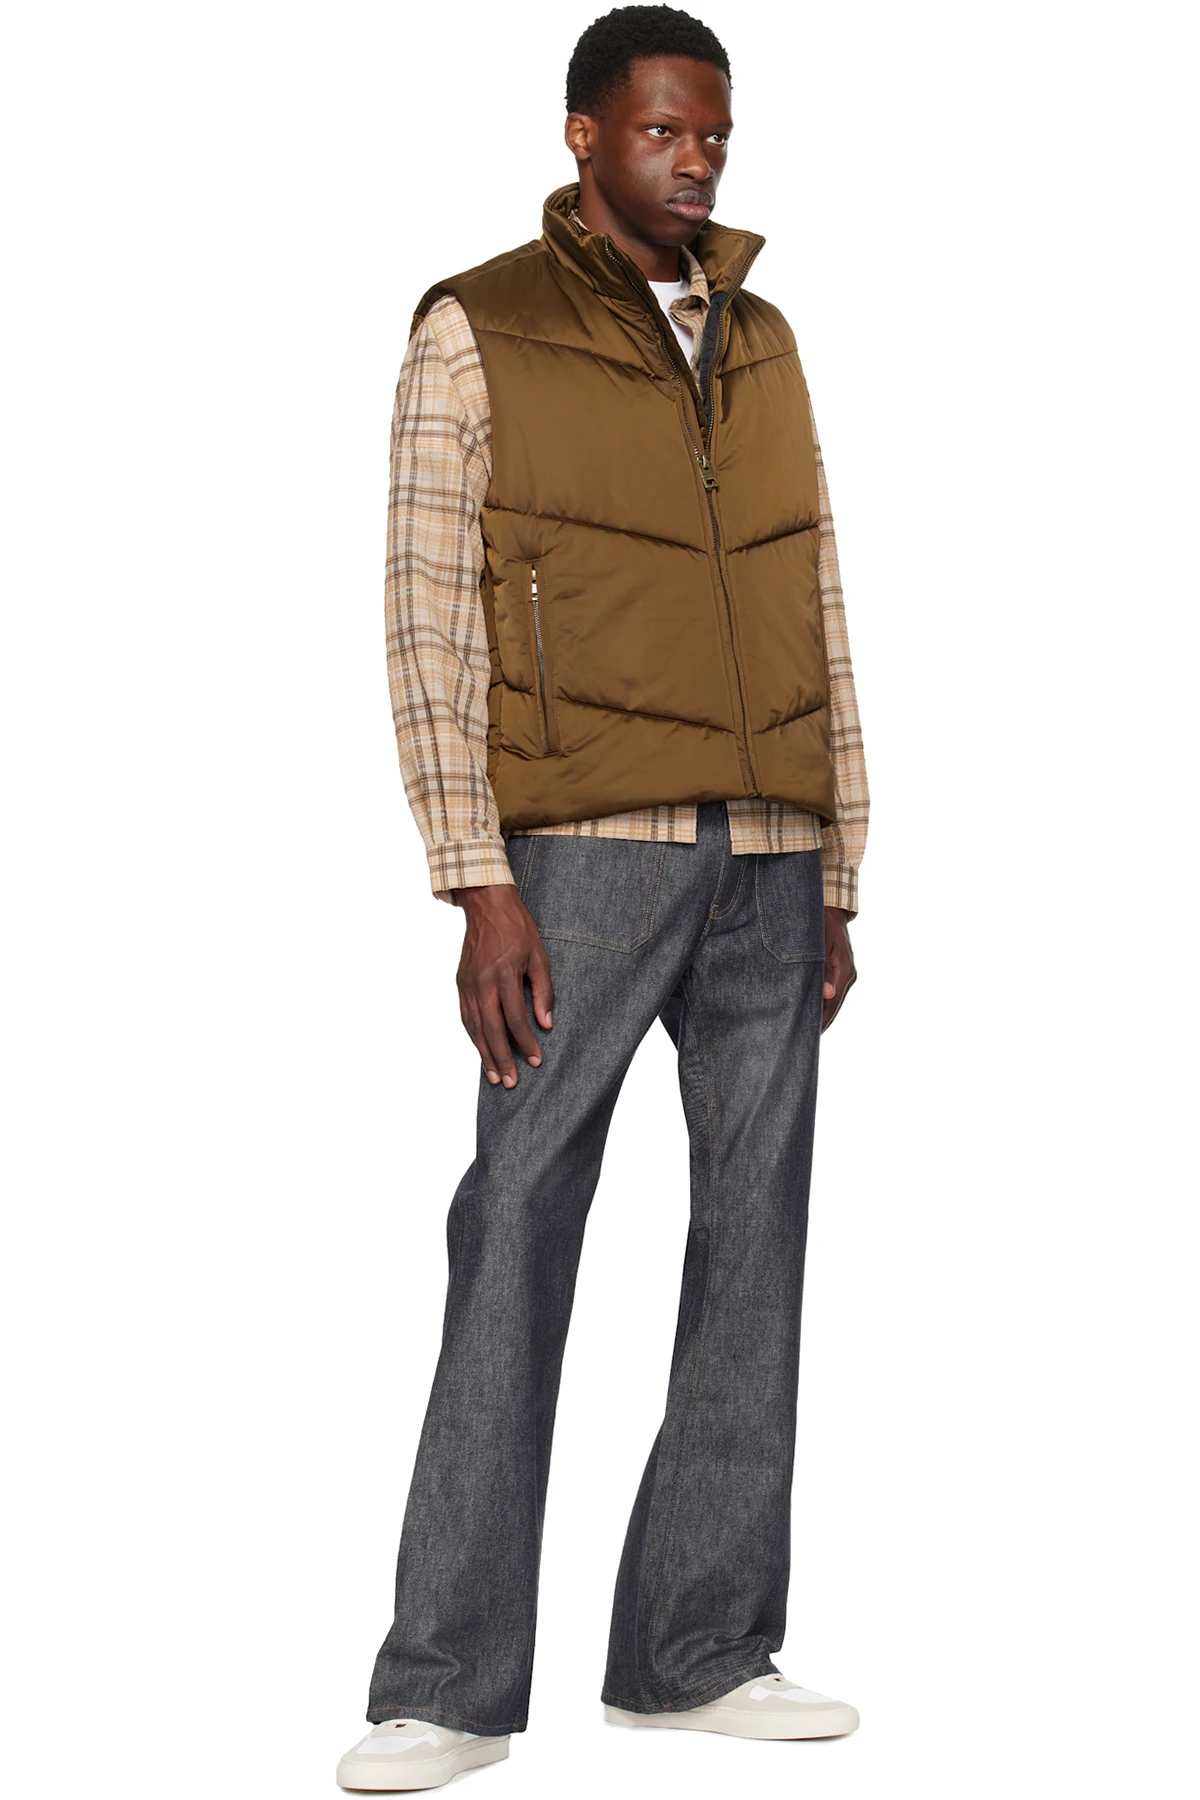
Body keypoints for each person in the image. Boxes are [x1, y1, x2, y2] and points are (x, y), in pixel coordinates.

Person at [336, 5, 869, 1789]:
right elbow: (425, 611)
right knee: (514, 1235)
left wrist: (840, 856)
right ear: (583, 134)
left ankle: (697, 1652)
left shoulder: (765, 335)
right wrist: (474, 877)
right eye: (660, 130)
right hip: (582, 855)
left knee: (756, 1248)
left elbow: (813, 594)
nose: (694, 159)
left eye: (714, 133)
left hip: (770, 858)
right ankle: (441, 1681)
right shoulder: (476, 323)